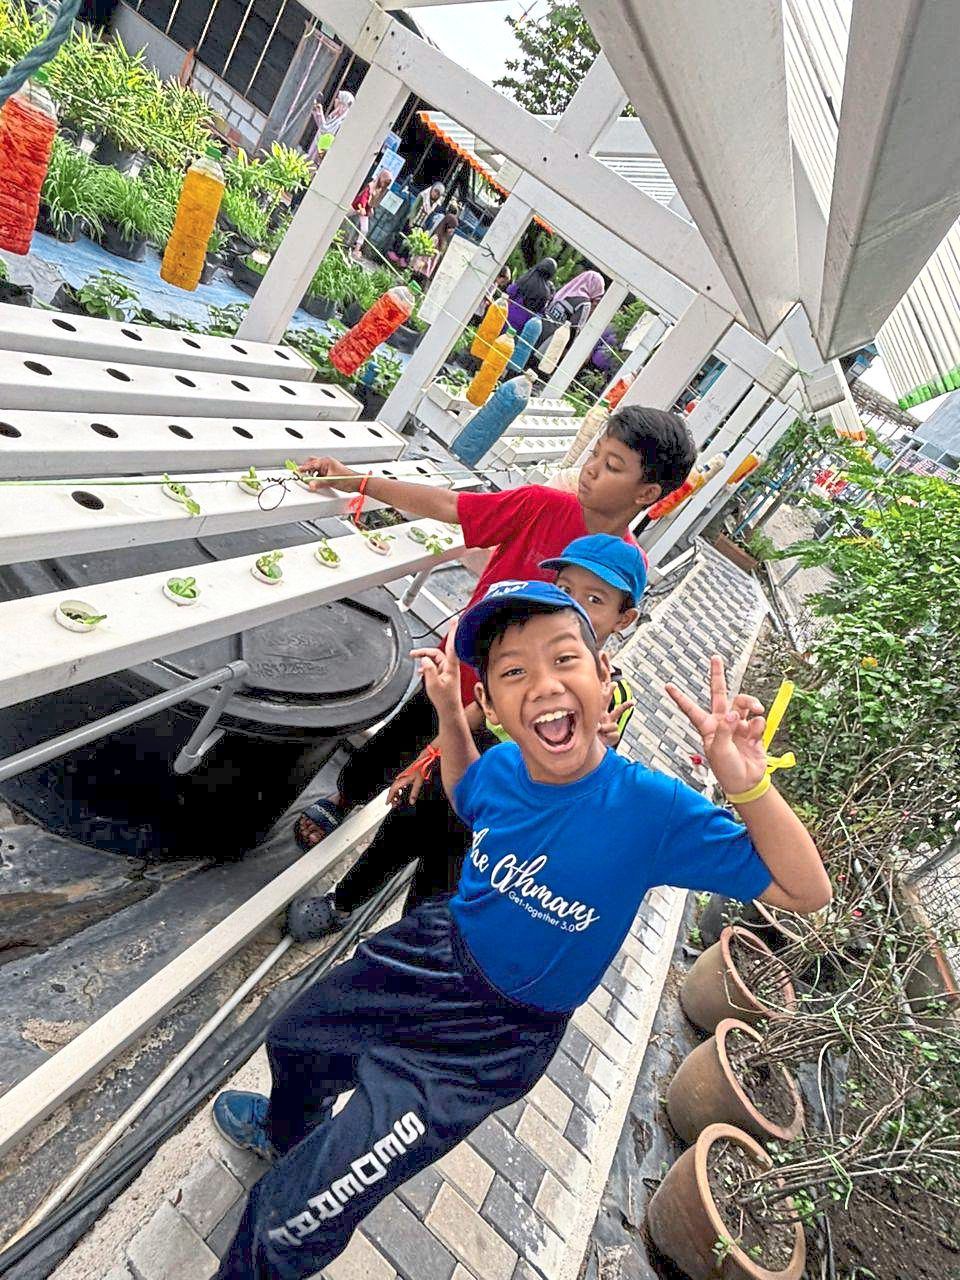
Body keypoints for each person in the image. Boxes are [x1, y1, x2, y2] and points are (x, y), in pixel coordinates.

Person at [211, 581, 831, 1280]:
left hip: (487, 1042)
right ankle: (290, 1135)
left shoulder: (651, 811)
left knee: (290, 1220)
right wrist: (447, 708)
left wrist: (748, 785)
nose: (540, 685)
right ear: (497, 707)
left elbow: (804, 891)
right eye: (512, 672)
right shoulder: (504, 765)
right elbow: (467, 791)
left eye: (564, 659)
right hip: (429, 954)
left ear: (604, 680)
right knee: (294, 1040)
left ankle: (292, 1204)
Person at [291, 404, 696, 854]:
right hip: (455, 671)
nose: (592, 469)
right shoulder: (542, 506)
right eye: (596, 455)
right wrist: (355, 480)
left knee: (440, 802)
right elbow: (450, 506)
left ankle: (374, 871)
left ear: (647, 493)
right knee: (396, 742)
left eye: (613, 466)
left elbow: (591, 646)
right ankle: (344, 797)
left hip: (507, 716)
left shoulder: (625, 569)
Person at [287, 533, 644, 941]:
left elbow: (587, 781)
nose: (575, 604)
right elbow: (474, 716)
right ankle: (344, 902)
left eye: (595, 600)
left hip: (489, 826)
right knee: (392, 839)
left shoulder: (610, 698)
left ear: (623, 619)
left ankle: (404, 948)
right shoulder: (516, 662)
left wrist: (598, 746)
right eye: (565, 590)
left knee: (439, 890)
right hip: (446, 780)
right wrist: (423, 760)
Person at [346, 169, 391, 261]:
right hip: (358, 206)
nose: (384, 185)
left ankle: (356, 249)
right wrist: (361, 207)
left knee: (364, 229)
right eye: (384, 182)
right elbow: (363, 197)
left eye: (386, 183)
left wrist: (370, 209)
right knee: (343, 214)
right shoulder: (371, 186)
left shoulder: (380, 190)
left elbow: (372, 202)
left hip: (365, 210)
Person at [506, 257, 557, 331]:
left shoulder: (526, 278)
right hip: (522, 325)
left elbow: (510, 292)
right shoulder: (546, 293)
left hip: (506, 315)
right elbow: (540, 313)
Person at [307, 89, 354, 162]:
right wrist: (316, 113)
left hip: (321, 152)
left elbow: (326, 131)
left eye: (338, 99)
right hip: (316, 145)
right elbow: (322, 127)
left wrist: (320, 112)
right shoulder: (335, 116)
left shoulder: (341, 122)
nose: (336, 100)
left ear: (343, 103)